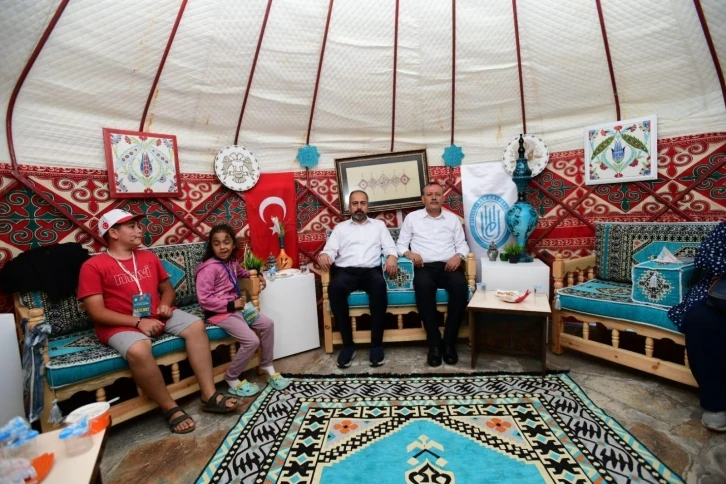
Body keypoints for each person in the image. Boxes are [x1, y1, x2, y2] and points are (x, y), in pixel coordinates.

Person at [78, 209, 238, 434]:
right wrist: (137, 323)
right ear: (113, 233)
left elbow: (168, 290)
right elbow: (96, 312)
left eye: (138, 225)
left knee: (196, 325)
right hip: (119, 324)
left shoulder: (148, 257)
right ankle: (170, 408)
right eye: (131, 227)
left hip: (156, 314)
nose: (139, 230)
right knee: (139, 349)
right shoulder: (93, 266)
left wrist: (164, 303)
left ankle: (208, 394)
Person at [195, 224, 290, 396]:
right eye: (217, 243)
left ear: (233, 244)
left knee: (268, 324)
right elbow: (204, 300)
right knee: (252, 341)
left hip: (238, 309)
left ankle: (267, 365)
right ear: (211, 246)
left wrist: (257, 275)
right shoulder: (208, 269)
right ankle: (232, 377)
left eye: (226, 242)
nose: (222, 247)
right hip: (219, 313)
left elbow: (242, 272)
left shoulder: (231, 262)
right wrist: (231, 305)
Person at [318, 190, 398, 368]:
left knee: (379, 286)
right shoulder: (340, 228)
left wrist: (392, 256)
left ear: (368, 206)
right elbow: (330, 249)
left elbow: (390, 247)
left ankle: (376, 345)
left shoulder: (379, 226)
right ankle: (348, 346)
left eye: (362, 203)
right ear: (350, 207)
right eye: (355, 203)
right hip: (346, 272)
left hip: (371, 271)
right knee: (335, 288)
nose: (359, 207)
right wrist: (325, 255)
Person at [396, 182, 470, 367]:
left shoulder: (453, 219)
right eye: (429, 194)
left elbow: (462, 245)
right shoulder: (412, 218)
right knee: (423, 287)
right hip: (424, 267)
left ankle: (449, 343)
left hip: (449, 266)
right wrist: (410, 254)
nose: (434, 197)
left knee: (460, 287)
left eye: (437, 194)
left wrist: (459, 256)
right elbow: (401, 245)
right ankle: (435, 344)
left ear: (443, 197)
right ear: (423, 199)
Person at [669, 221, 726, 432]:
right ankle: (715, 403)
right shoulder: (724, 229)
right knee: (700, 321)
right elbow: (704, 258)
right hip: (716, 293)